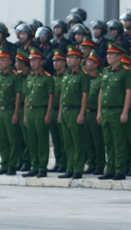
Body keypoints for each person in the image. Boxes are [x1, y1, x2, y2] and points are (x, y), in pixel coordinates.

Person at [97, 43, 131, 181]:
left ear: (119, 56)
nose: (109, 57)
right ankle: (110, 168)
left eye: (112, 54)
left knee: (119, 142)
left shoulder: (125, 72)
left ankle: (120, 169)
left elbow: (129, 92)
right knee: (108, 142)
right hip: (106, 111)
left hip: (117, 110)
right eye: (108, 54)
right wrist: (99, 112)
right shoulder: (106, 72)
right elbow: (102, 92)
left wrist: (125, 112)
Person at [22, 48, 55, 178]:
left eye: (35, 60)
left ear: (41, 62)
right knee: (31, 140)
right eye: (31, 60)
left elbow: (51, 96)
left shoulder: (47, 78)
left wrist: (48, 114)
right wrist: (25, 115)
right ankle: (34, 165)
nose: (32, 63)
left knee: (42, 140)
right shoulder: (29, 78)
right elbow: (26, 97)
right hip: (30, 110)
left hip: (41, 109)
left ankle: (42, 166)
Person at [58, 48, 89, 179]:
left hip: (75, 110)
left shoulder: (83, 75)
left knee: (77, 142)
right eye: (68, 57)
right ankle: (70, 167)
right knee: (68, 142)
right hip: (65, 110)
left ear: (79, 60)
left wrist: (82, 113)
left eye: (72, 57)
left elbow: (84, 95)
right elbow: (62, 95)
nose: (69, 60)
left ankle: (78, 168)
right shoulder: (67, 74)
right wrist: (60, 112)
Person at [0, 50, 22, 176]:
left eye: (3, 60)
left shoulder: (15, 76)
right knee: (2, 139)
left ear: (10, 61)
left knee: (13, 140)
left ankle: (12, 164)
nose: (0, 63)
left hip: (10, 110)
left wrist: (16, 113)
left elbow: (18, 95)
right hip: (0, 110)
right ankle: (4, 163)